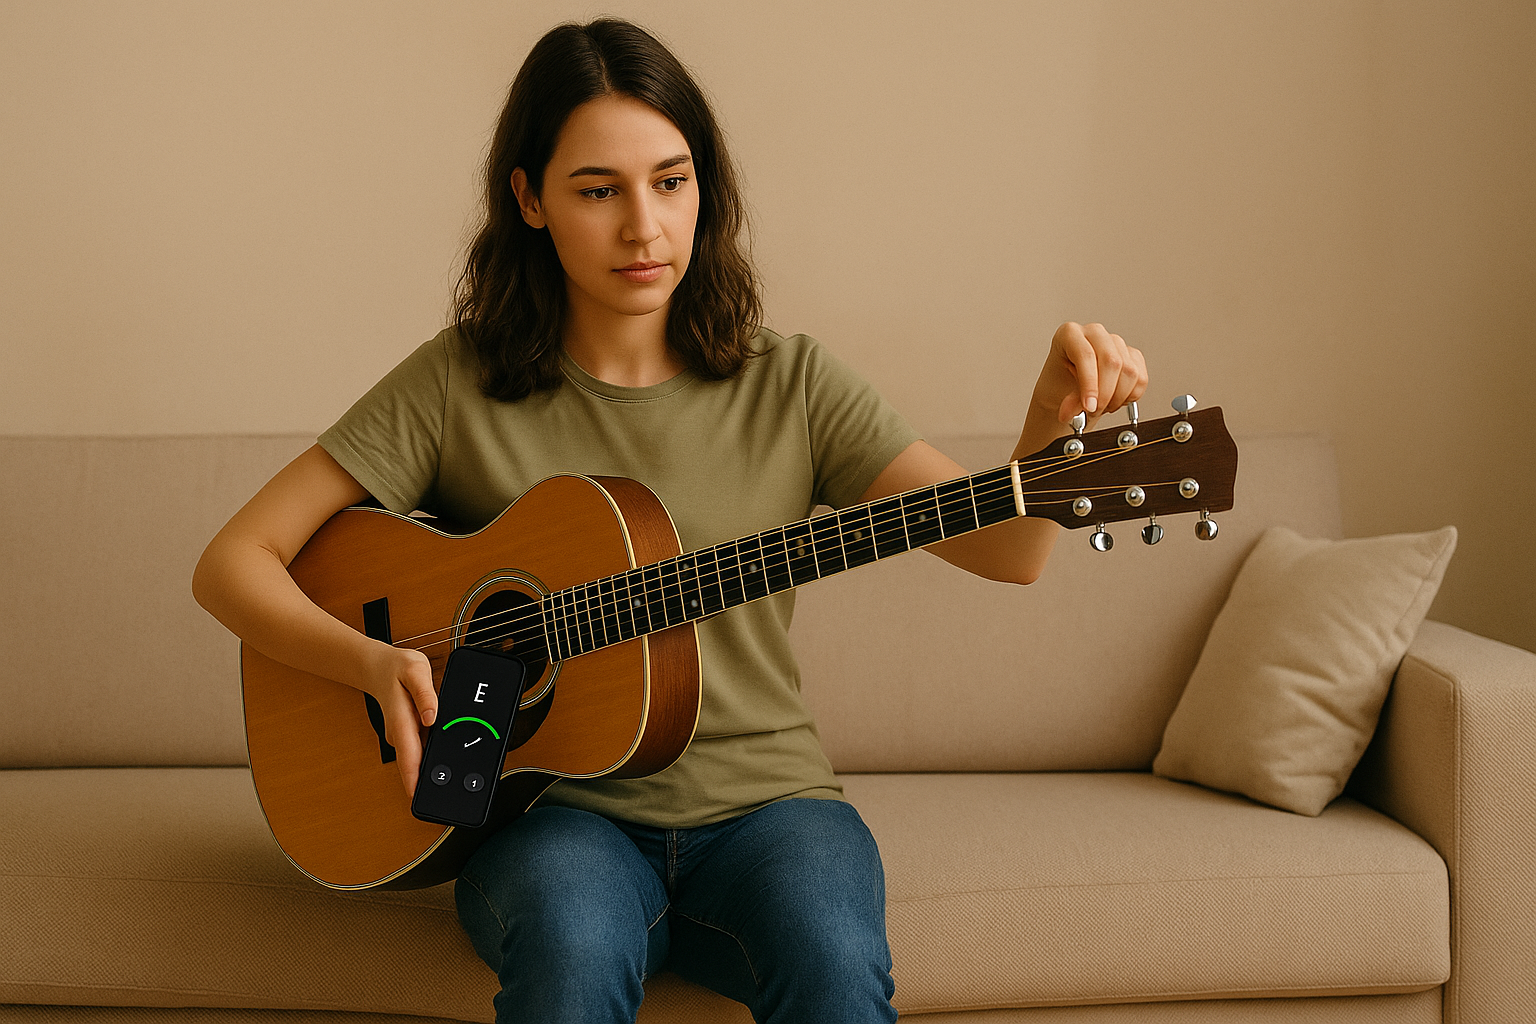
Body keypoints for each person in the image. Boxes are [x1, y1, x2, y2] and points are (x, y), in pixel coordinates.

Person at [192, 17, 1147, 1024]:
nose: (644, 227)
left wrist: (1050, 424)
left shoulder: (795, 384)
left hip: (772, 807)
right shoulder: (457, 382)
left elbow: (1009, 552)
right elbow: (232, 562)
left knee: (832, 957)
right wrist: (374, 664)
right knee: (570, 946)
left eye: (672, 181)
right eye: (598, 190)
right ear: (529, 200)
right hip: (550, 817)